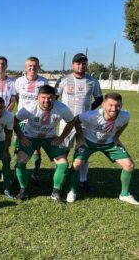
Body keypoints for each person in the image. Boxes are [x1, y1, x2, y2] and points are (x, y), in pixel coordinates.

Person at [66, 93, 138, 205]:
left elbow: (125, 123)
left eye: (117, 105)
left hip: (109, 144)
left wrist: (116, 137)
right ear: (103, 104)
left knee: (129, 165)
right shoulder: (91, 115)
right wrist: (80, 138)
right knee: (77, 164)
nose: (114, 109)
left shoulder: (125, 115)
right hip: (89, 142)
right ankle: (72, 191)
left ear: (121, 105)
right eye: (110, 105)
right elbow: (76, 120)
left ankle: (124, 194)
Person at [14, 85, 74, 202]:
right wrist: (21, 137)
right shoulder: (29, 108)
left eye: (50, 98)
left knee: (63, 164)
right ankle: (23, 190)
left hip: (49, 138)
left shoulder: (62, 108)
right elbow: (15, 121)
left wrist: (61, 138)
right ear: (38, 97)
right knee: (20, 162)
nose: (46, 100)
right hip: (30, 137)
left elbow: (71, 122)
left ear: (55, 97)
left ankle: (56, 192)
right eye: (43, 97)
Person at [55, 53, 103, 191]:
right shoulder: (63, 80)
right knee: (63, 151)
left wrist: (89, 112)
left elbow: (99, 99)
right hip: (67, 123)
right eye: (78, 63)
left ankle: (83, 179)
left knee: (84, 152)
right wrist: (62, 113)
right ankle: (62, 177)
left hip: (85, 123)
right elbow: (54, 97)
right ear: (73, 65)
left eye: (84, 64)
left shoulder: (92, 81)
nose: (81, 66)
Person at [14, 56, 49, 185]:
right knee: (18, 147)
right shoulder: (18, 81)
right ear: (25, 67)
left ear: (38, 67)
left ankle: (35, 174)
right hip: (22, 120)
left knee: (36, 148)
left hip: (37, 120)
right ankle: (16, 173)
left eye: (35, 66)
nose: (32, 68)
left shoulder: (44, 82)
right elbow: (17, 98)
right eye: (30, 65)